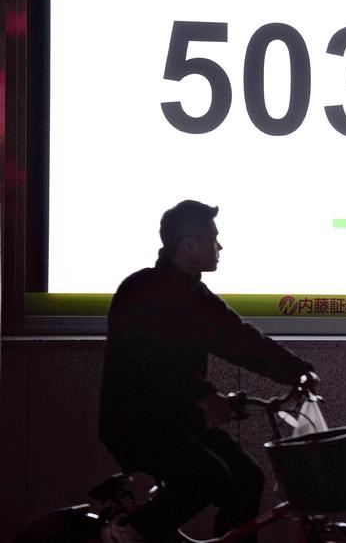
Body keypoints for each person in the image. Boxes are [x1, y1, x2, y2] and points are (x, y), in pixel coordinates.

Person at [98, 200, 316, 543]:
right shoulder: (140, 291)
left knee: (248, 478)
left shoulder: (195, 296)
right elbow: (156, 361)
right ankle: (126, 533)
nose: (220, 246)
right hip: (136, 424)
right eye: (214, 238)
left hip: (180, 421)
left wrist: (296, 371)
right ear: (189, 245)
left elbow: (239, 339)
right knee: (208, 476)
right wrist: (203, 395)